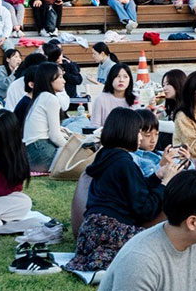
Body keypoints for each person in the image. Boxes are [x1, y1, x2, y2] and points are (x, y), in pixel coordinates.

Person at [66, 106, 189, 272]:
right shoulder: (124, 163)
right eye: (139, 132)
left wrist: (157, 176)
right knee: (163, 242)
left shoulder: (107, 156)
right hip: (110, 231)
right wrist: (165, 184)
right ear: (127, 132)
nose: (140, 137)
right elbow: (145, 209)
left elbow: (133, 190)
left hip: (90, 230)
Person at [15, 61, 69, 172]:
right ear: (49, 79)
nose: (64, 81)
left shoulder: (40, 96)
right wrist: (71, 148)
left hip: (31, 150)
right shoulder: (50, 98)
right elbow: (54, 136)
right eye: (60, 77)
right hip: (41, 151)